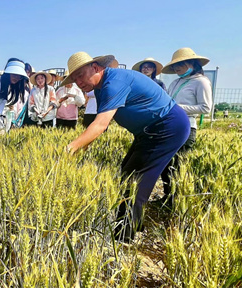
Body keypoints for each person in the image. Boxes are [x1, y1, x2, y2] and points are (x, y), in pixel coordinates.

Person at [64, 52, 190, 242]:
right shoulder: (101, 86)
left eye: (80, 75)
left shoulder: (113, 83)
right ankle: (133, 226)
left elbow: (100, 124)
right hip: (149, 131)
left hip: (167, 127)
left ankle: (125, 238)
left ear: (96, 68)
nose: (78, 82)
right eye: (74, 79)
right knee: (127, 174)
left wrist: (70, 148)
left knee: (136, 182)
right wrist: (82, 148)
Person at [159, 48, 212, 205]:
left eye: (181, 64)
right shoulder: (175, 82)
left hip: (186, 128)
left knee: (177, 165)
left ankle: (176, 202)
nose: (177, 68)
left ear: (193, 63)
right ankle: (167, 197)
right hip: (169, 127)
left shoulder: (201, 81)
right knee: (166, 165)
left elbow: (206, 108)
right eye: (175, 65)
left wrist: (177, 107)